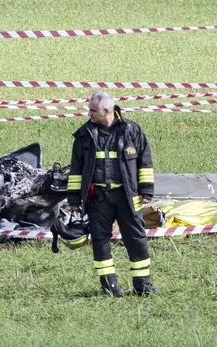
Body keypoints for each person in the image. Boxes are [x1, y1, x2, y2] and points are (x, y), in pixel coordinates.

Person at [66, 90, 159, 297]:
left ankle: (142, 284)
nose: (88, 114)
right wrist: (73, 200)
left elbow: (145, 163)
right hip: (99, 198)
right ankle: (109, 286)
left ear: (106, 110)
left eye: (92, 110)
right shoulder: (84, 135)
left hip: (128, 197)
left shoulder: (132, 130)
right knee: (100, 240)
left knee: (136, 238)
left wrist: (147, 191)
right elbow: (76, 171)